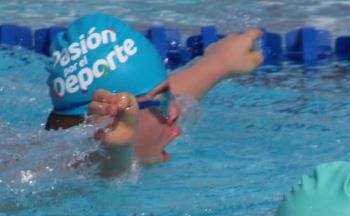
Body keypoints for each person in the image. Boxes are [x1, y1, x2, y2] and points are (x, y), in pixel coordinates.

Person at [44, 13, 263, 176]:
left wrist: (219, 63)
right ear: (112, 120)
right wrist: (119, 150)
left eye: (166, 97)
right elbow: (105, 170)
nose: (176, 110)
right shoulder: (54, 175)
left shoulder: (143, 113)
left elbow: (146, 99)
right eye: (164, 102)